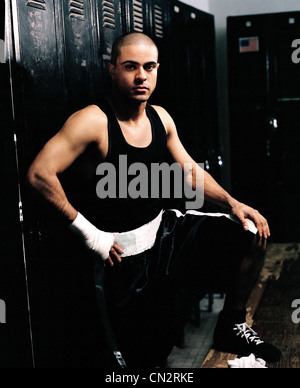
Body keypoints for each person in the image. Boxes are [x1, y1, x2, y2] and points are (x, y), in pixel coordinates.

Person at [27, 32, 281, 367]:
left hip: (164, 235)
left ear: (158, 69)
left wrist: (234, 203)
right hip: (120, 256)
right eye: (130, 66)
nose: (141, 76)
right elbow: (39, 173)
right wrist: (89, 233)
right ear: (112, 69)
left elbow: (190, 171)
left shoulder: (161, 117)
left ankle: (231, 324)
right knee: (145, 357)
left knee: (250, 232)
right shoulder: (92, 121)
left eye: (149, 67)